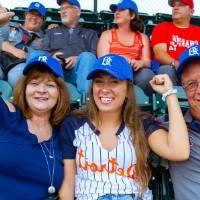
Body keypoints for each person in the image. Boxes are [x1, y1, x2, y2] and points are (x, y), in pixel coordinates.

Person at [59, 54, 189, 200]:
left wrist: (169, 94)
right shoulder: (74, 124)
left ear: (127, 89)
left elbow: (179, 151)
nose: (105, 89)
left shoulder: (141, 123)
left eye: (114, 82)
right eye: (99, 82)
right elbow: (69, 183)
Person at [0, 54, 70, 199]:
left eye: (50, 85)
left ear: (60, 93)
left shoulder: (64, 135)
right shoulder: (7, 115)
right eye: (34, 83)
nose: (41, 90)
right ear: (24, 89)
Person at [97, 0, 154, 96]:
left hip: (133, 73)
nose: (117, 12)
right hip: (112, 72)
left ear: (132, 15)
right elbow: (102, 58)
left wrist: (139, 63)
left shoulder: (142, 37)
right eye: (115, 10)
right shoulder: (107, 34)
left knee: (147, 75)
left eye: (122, 10)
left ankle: (136, 104)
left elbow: (147, 62)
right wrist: (122, 59)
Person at [166, 44, 200, 200]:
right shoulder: (173, 132)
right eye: (192, 84)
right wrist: (169, 93)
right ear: (183, 89)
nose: (199, 90)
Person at [42, 0, 98, 95]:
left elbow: (94, 55)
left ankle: (85, 102)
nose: (62, 11)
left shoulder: (90, 33)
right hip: (55, 72)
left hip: (79, 73)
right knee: (37, 55)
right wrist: (52, 57)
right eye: (61, 9)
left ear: (78, 12)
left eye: (66, 8)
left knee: (88, 57)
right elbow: (43, 53)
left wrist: (78, 59)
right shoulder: (51, 31)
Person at [151, 0, 200, 85]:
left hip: (193, 71)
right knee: (166, 71)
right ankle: (171, 98)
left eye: (181, 5)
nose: (175, 8)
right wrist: (177, 64)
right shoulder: (162, 27)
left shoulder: (198, 32)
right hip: (170, 68)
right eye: (174, 5)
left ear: (191, 12)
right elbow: (160, 53)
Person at [0, 2, 46, 87]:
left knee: (19, 79)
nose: (34, 17)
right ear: (26, 15)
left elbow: (45, 56)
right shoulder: (9, 25)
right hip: (1, 57)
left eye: (38, 16)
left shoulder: (45, 38)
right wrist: (12, 49)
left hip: (21, 64)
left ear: (43, 20)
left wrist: (29, 55)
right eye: (31, 13)